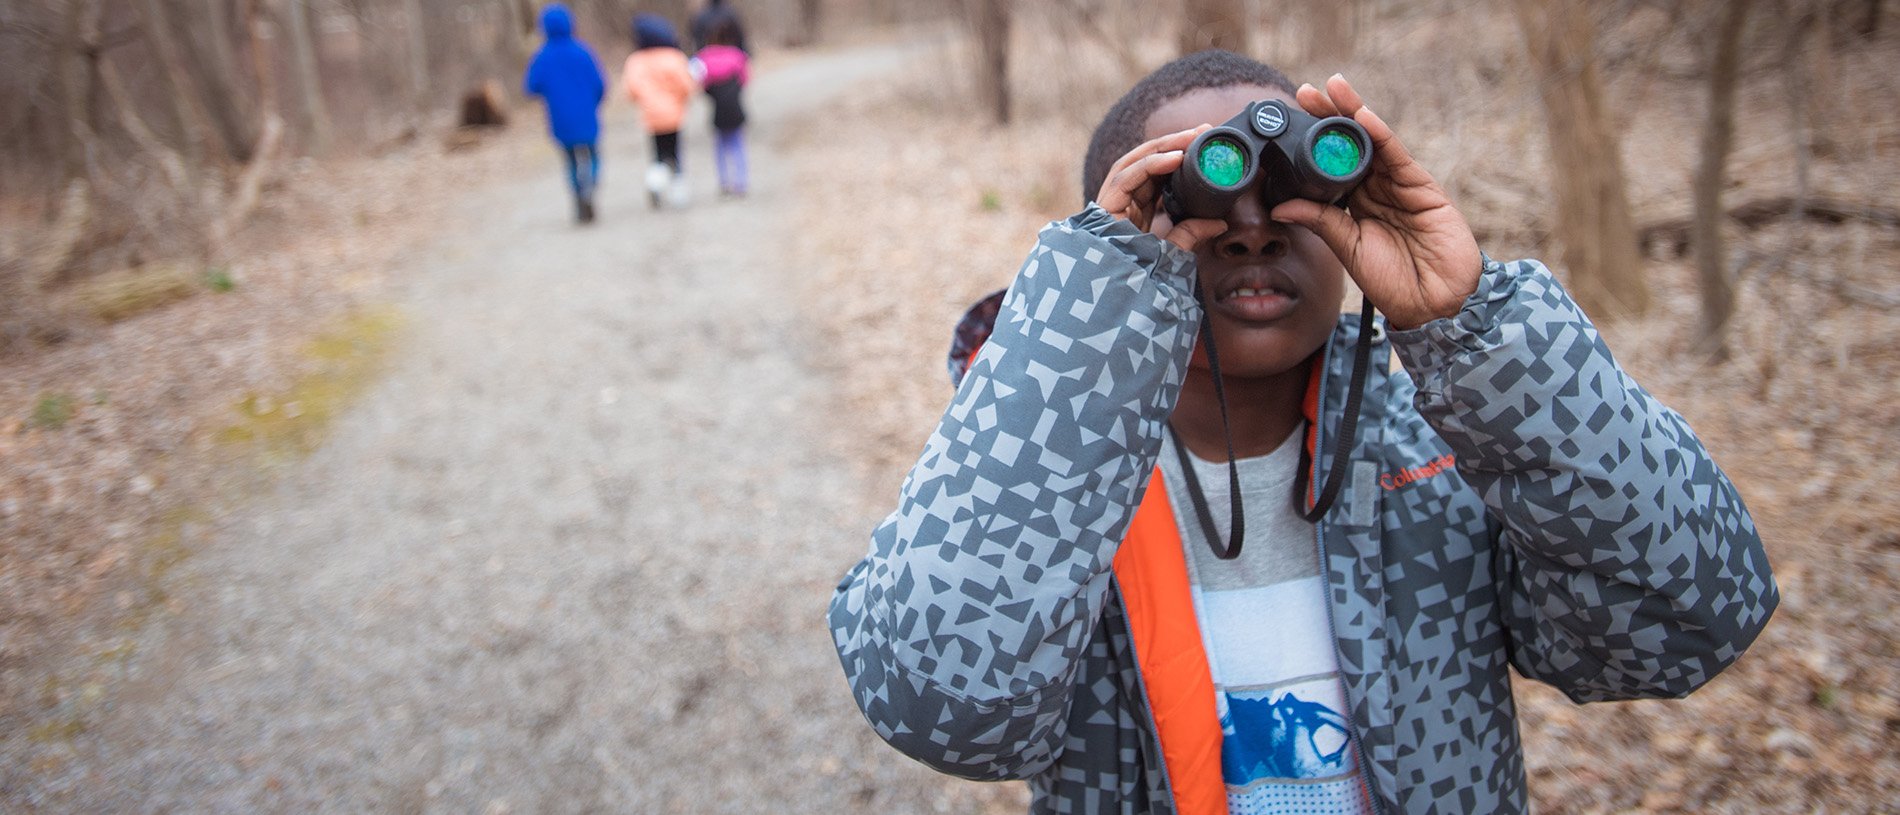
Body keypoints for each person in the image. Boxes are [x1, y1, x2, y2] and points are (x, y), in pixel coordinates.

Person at [828, 50, 1778, 814]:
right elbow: (939, 707)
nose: (1248, 228)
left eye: (1293, 193)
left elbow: (1687, 620)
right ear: (1113, 244)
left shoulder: (1448, 456)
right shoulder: (1043, 482)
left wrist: (1476, 329)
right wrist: (1093, 323)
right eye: (1188, 201)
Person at [523, 4, 606, 223]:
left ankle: (579, 193)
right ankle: (590, 185)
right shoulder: (582, 52)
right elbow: (600, 84)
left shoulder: (542, 57)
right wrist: (593, 103)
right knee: (593, 154)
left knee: (570, 160)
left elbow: (531, 87)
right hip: (587, 115)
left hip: (560, 118)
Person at [622, 14, 695, 209]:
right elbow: (686, 85)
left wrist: (644, 100)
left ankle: (655, 182)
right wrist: (682, 99)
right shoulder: (673, 57)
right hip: (673, 113)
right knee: (675, 152)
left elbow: (631, 89)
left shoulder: (636, 61)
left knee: (657, 153)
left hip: (651, 115)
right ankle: (678, 191)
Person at [692, 20, 749, 198]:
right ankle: (741, 181)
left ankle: (724, 181)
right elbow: (745, 79)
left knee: (720, 145)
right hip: (735, 107)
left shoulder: (702, 57)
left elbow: (697, 80)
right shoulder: (738, 56)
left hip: (717, 108)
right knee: (737, 143)